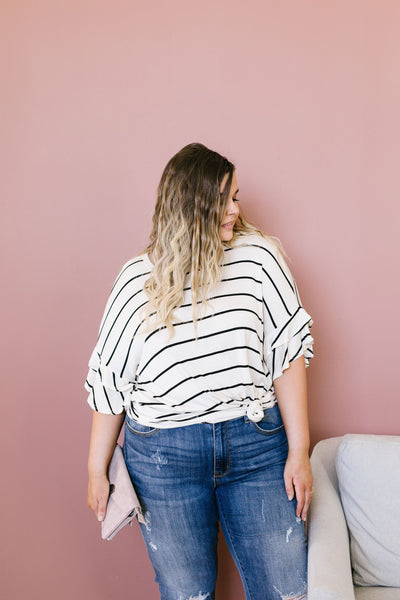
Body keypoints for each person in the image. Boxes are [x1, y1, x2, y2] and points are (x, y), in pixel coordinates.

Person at [86, 143, 314, 600]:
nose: (235, 209)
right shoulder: (137, 280)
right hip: (163, 458)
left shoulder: (260, 259)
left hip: (256, 446)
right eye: (225, 199)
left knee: (288, 590)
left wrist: (300, 449)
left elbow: (287, 354)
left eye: (236, 196)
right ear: (191, 205)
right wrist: (96, 468)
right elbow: (110, 382)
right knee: (186, 593)